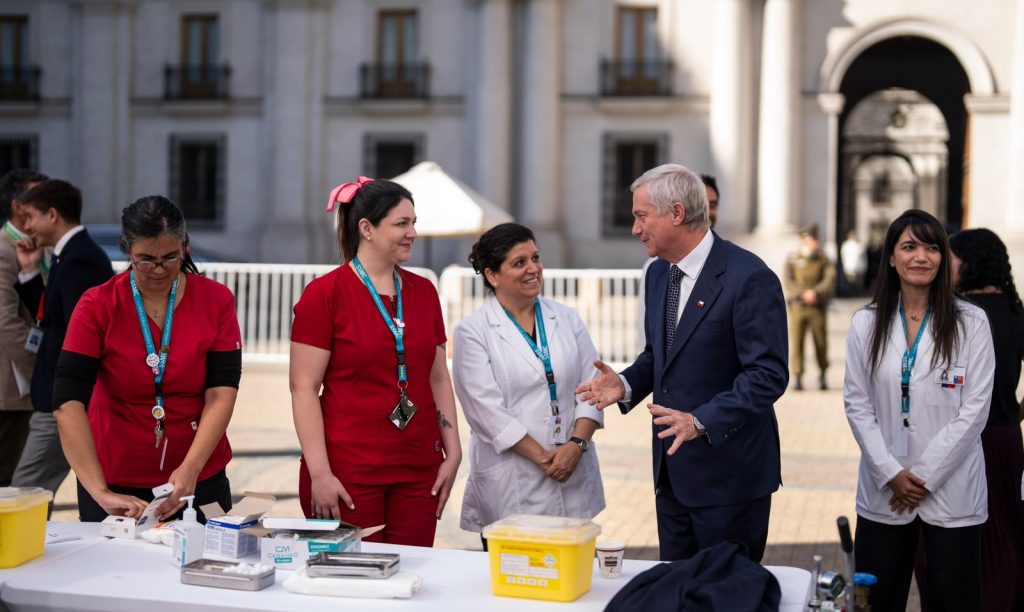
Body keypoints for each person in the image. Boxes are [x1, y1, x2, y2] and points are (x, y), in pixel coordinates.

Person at [577, 164, 788, 562]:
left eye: (641, 216)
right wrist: (624, 385)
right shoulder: (659, 274)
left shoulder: (749, 278)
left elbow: (767, 376)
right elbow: (660, 355)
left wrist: (700, 421)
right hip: (672, 477)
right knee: (677, 590)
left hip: (730, 481)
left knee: (726, 595)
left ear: (676, 213)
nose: (635, 229)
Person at [290, 177, 461, 547]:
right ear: (366, 228)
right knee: (352, 588)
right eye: (402, 224)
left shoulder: (424, 291)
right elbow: (303, 388)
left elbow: (438, 378)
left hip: (418, 470)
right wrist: (319, 473)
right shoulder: (325, 294)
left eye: (414, 222)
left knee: (411, 584)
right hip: (348, 471)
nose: (413, 233)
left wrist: (454, 449)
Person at [51, 195, 240, 521]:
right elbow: (67, 403)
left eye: (170, 257)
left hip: (198, 478)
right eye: (146, 259)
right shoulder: (97, 305)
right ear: (127, 250)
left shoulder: (215, 300)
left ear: (184, 246)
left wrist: (191, 469)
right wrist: (99, 492)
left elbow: (222, 392)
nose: (159, 269)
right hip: (115, 481)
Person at [844, 210, 994, 612]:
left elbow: (975, 409)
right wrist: (892, 474)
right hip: (884, 488)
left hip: (951, 487)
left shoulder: (972, 322)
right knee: (876, 599)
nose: (921, 257)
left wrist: (923, 477)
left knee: (953, 598)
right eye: (909, 246)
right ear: (891, 257)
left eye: (932, 247)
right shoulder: (865, 323)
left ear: (944, 258)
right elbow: (857, 404)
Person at [453, 223, 605, 547]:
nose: (533, 268)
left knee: (571, 583)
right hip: (514, 484)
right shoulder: (473, 331)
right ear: (492, 276)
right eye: (519, 262)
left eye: (535, 258)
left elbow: (594, 386)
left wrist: (575, 446)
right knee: (517, 583)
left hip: (572, 470)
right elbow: (485, 412)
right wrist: (545, 458)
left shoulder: (566, 318)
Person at [11, 180, 114, 506]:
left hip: (65, 397)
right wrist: (29, 272)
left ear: (52, 215)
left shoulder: (80, 259)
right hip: (60, 394)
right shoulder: (68, 254)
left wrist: (64, 400)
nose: (27, 227)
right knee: (31, 487)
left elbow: (77, 337)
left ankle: (25, 552)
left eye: (31, 217)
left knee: (26, 487)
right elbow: (52, 318)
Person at [946, 228, 1023, 612]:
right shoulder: (1015, 309)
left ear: (970, 261)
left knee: (966, 530)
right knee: (1006, 531)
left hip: (966, 436)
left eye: (953, 256)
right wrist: (1014, 407)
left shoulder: (960, 314)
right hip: (1007, 436)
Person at [0, 169, 48, 486]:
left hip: (21, 382)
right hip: (10, 384)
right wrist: (38, 370)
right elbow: (6, 321)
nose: (49, 208)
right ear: (19, 207)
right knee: (7, 476)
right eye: (42, 200)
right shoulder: (4, 249)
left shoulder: (33, 245)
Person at [783, 224, 836, 390]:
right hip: (798, 307)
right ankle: (798, 375)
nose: (814, 242)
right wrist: (802, 294)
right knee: (797, 342)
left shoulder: (823, 259)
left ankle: (822, 373)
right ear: (804, 240)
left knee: (820, 341)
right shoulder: (793, 258)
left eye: (815, 239)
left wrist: (816, 292)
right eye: (811, 239)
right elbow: (788, 280)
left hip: (817, 306)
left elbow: (829, 278)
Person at [840, 229, 868, 293]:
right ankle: (853, 292)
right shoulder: (855, 245)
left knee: (854, 282)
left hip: (853, 267)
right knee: (853, 282)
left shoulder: (857, 245)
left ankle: (854, 292)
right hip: (854, 267)